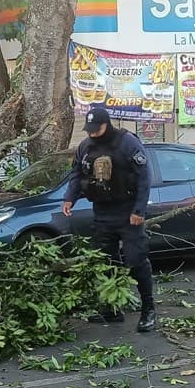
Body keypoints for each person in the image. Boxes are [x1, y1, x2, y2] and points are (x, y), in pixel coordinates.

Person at [62, 108, 156, 332]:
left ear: (107, 124)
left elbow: (144, 177)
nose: (93, 134)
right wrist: (69, 198)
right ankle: (112, 310)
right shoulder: (86, 146)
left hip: (128, 213)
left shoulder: (127, 143)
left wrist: (139, 211)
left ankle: (148, 310)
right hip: (103, 212)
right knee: (105, 262)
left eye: (97, 130)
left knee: (136, 261)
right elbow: (77, 173)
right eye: (90, 130)